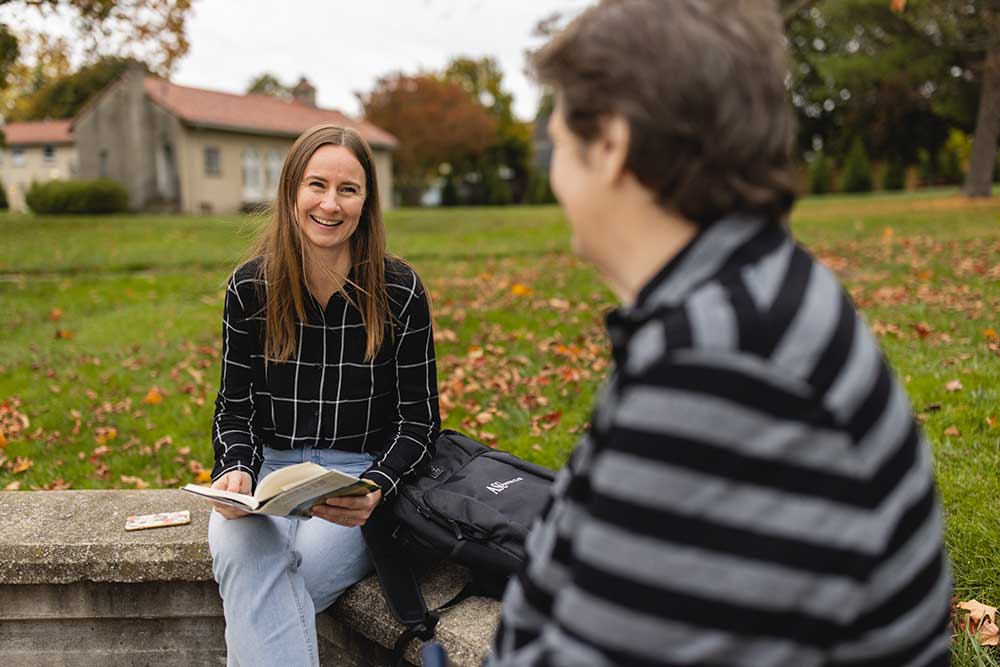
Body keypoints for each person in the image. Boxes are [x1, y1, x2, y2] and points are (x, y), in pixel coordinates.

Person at [487, 1, 952, 666]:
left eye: (556, 139)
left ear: (612, 145)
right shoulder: (734, 297)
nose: (553, 168)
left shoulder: (726, 364)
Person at [205, 123, 440, 667]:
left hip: (352, 486)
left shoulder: (400, 290)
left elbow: (419, 422)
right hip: (266, 482)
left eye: (348, 189)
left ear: (367, 201)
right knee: (246, 556)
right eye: (316, 185)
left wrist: (376, 488)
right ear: (291, 193)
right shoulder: (251, 289)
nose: (330, 204)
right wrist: (234, 468)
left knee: (273, 592)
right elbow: (233, 408)